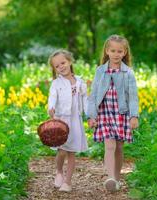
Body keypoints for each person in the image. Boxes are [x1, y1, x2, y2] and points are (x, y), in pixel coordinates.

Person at [87, 34, 139, 192]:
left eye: (119, 51)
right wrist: (91, 115)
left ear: (124, 53)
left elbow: (133, 96)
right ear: (107, 51)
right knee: (109, 145)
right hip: (105, 112)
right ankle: (110, 177)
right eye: (113, 50)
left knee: (119, 147)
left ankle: (116, 178)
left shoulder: (128, 73)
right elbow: (94, 94)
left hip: (121, 113)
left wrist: (134, 116)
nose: (116, 54)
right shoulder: (100, 71)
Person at [48, 49, 88, 192]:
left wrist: (89, 116)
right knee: (62, 151)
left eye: (63, 63)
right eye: (57, 66)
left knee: (71, 152)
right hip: (61, 121)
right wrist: (51, 108)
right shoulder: (56, 84)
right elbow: (52, 98)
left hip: (75, 120)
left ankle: (68, 182)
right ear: (55, 69)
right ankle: (59, 171)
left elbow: (85, 99)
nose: (61, 67)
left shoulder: (80, 82)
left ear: (70, 61)